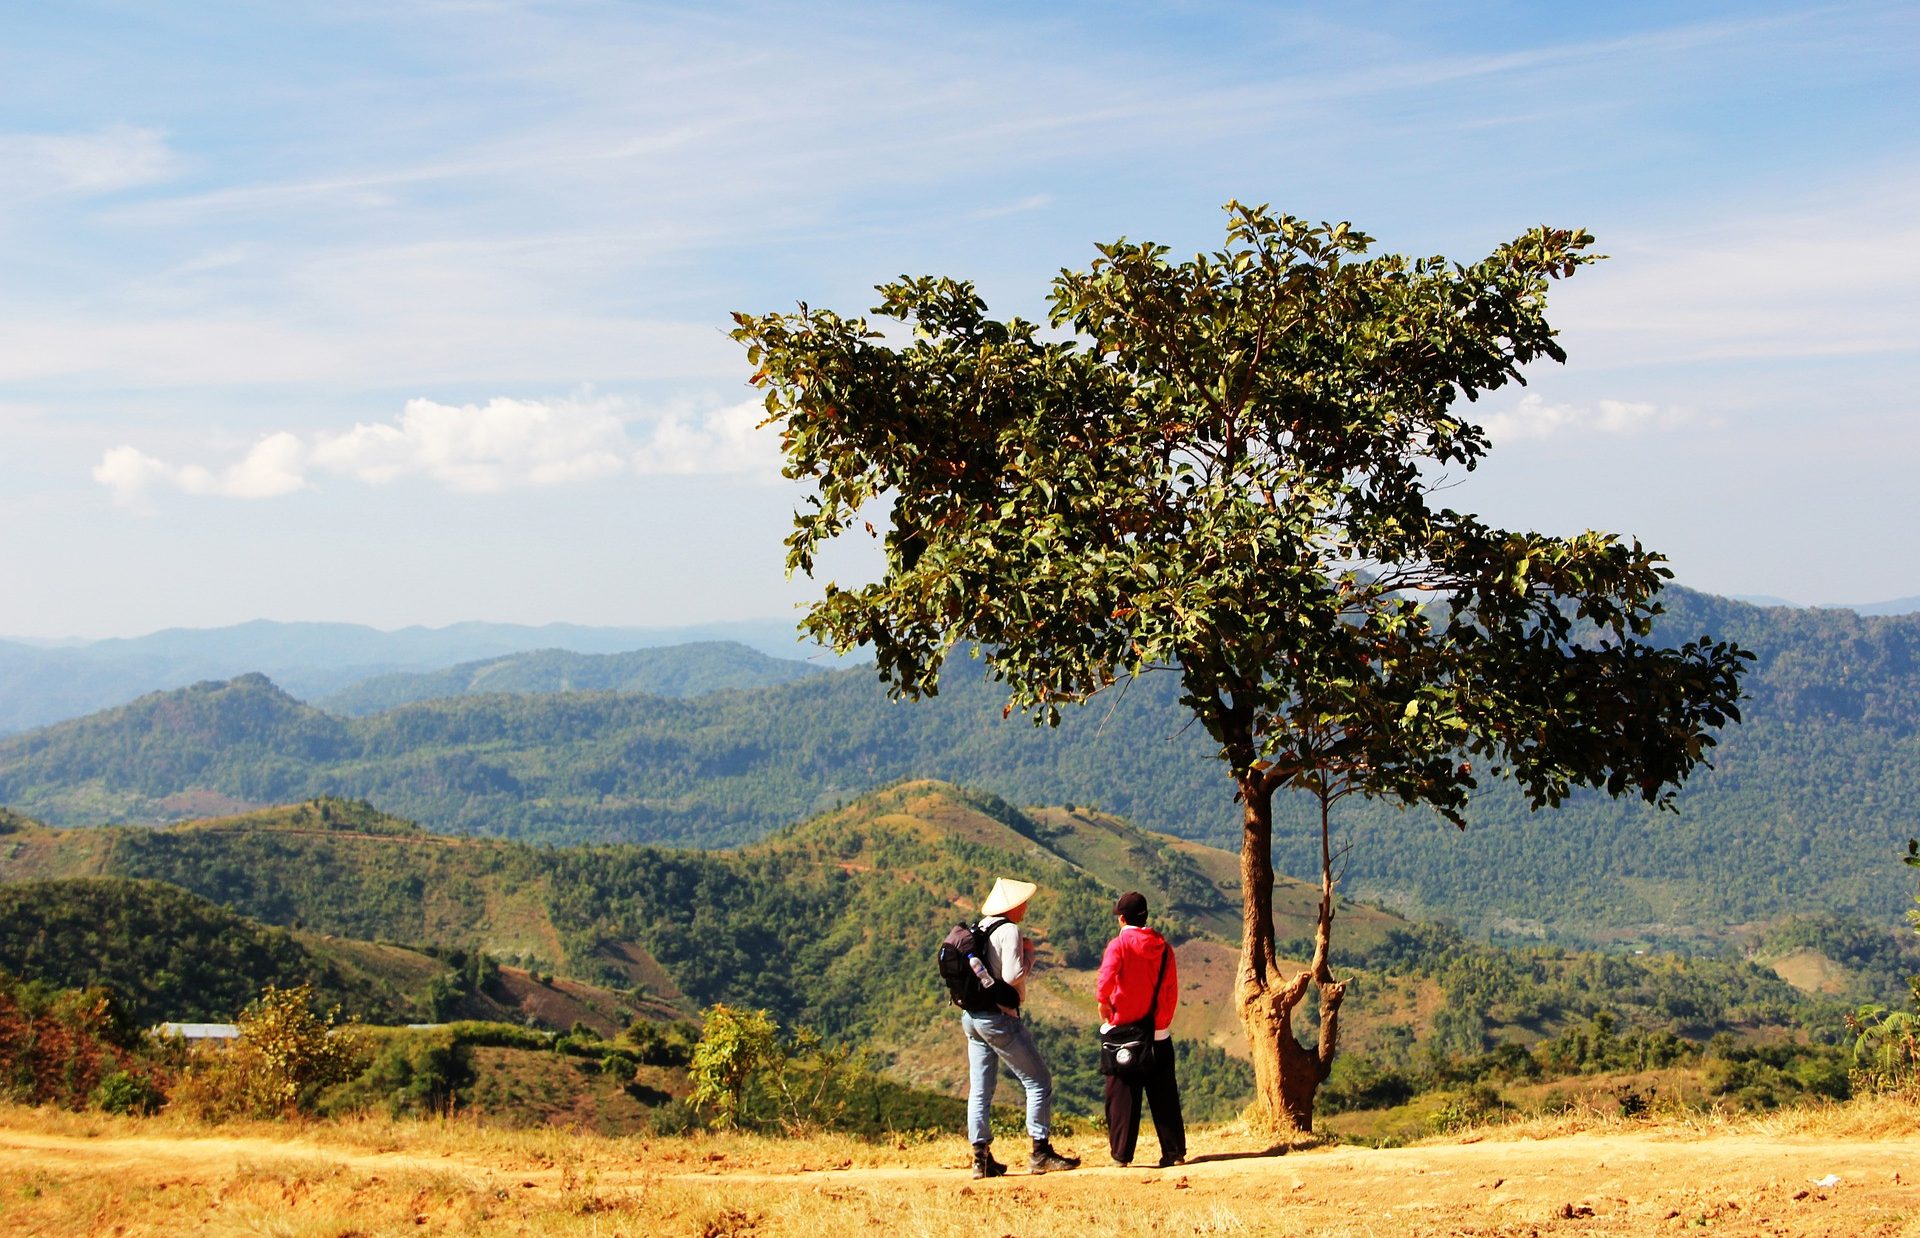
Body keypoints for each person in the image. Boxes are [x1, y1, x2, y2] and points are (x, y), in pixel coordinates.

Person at [959, 876, 1081, 1178]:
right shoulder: (1010, 930)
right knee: (1038, 1080)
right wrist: (1029, 955)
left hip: (972, 1016)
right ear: (1013, 906)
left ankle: (981, 1158)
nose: (1025, 907)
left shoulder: (981, 926)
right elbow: (1013, 976)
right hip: (999, 1018)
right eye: (1023, 903)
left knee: (980, 1089)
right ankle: (1040, 1152)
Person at [1096, 890, 1186, 1168]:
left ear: (1122, 918)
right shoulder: (1163, 947)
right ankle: (1174, 1153)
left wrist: (1105, 1006)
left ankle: (1122, 1156)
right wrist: (1162, 1022)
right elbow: (1171, 989)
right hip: (1158, 1032)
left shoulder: (1119, 945)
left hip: (1125, 1034)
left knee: (1122, 1097)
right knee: (1165, 1096)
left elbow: (1105, 981)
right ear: (1145, 916)